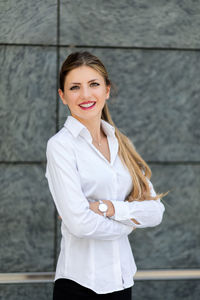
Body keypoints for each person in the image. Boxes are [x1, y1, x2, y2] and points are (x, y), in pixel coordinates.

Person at [45, 51, 166, 300]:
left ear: (107, 90)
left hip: (121, 281)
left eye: (94, 84)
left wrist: (107, 208)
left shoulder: (122, 144)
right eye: (75, 87)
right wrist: (129, 225)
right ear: (63, 96)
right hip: (79, 285)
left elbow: (155, 211)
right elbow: (79, 223)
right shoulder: (61, 146)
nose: (86, 95)